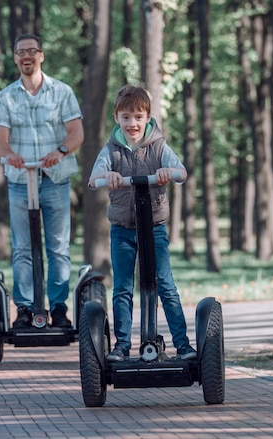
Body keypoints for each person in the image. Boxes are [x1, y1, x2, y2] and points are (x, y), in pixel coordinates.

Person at [88, 84, 197, 361]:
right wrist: (108, 177)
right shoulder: (111, 150)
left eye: (138, 117)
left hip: (155, 227)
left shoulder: (159, 146)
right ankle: (122, 346)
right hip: (122, 230)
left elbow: (182, 172)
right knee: (123, 287)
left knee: (164, 284)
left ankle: (183, 346)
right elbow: (93, 179)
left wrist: (166, 171)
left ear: (148, 117)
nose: (132, 123)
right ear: (117, 118)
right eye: (126, 117)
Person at [0, 33, 84, 329]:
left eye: (32, 50)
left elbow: (76, 133)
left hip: (55, 179)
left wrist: (60, 151)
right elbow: (0, 143)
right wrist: (10, 155)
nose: (26, 56)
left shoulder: (62, 92)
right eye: (21, 52)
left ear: (41, 55)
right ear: (16, 58)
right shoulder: (5, 97)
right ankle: (25, 309)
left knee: (58, 246)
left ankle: (58, 308)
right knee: (22, 247)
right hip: (20, 181)